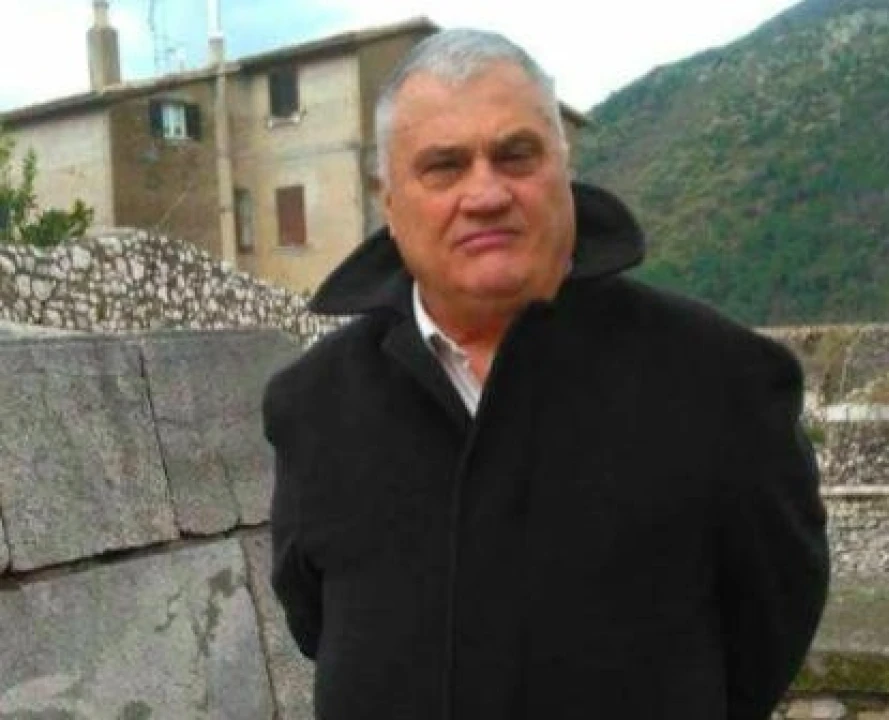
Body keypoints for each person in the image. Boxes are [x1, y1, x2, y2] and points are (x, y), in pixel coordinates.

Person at [265, 27, 829, 720]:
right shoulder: (313, 406)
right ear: (390, 203)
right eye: (443, 166)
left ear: (564, 169)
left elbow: (770, 621)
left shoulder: (721, 381)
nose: (485, 193)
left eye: (515, 155)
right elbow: (317, 622)